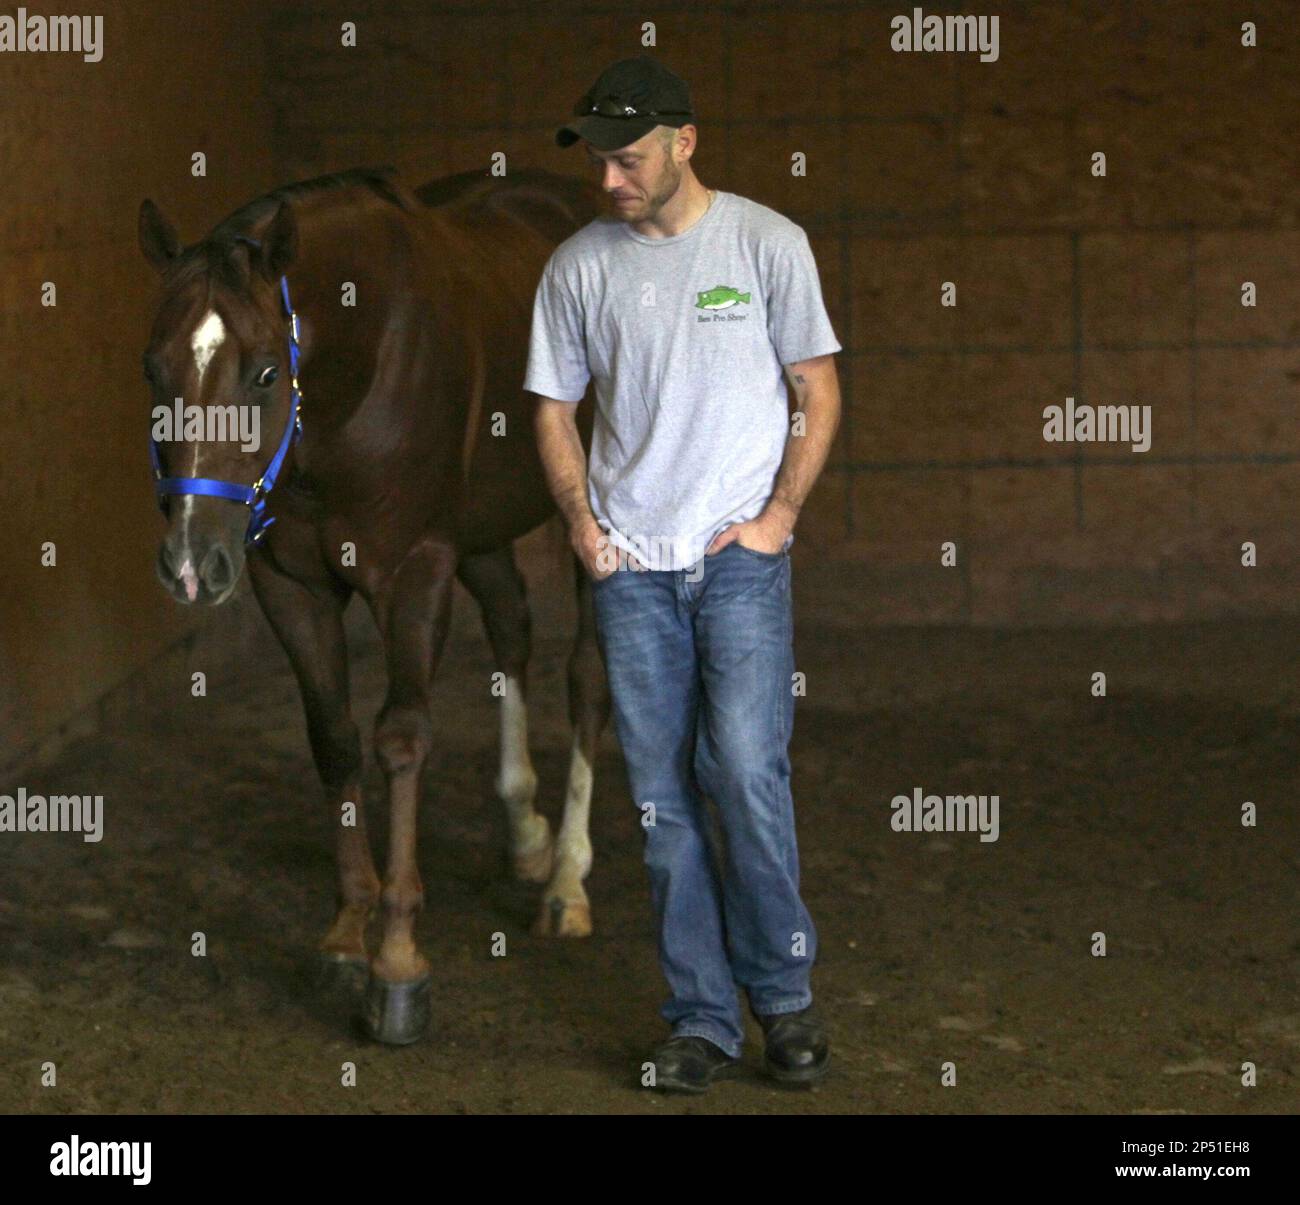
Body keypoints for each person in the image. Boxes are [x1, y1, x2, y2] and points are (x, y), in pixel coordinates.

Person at [525, 55, 843, 1094]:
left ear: (683, 142)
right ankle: (700, 1018)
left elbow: (816, 387)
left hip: (737, 563)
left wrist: (777, 517)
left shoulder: (764, 242)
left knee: (744, 773)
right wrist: (580, 523)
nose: (609, 181)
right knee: (660, 806)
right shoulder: (579, 266)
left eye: (627, 159)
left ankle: (783, 1002)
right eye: (599, 162)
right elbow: (552, 408)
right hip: (632, 573)